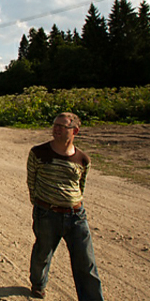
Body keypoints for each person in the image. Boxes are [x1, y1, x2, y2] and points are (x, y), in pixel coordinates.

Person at [26, 112, 104, 300]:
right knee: (42, 252)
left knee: (86, 262)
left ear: (75, 130)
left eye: (62, 126)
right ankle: (38, 283)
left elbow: (80, 186)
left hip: (76, 216)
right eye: (55, 125)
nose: (56, 129)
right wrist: (40, 205)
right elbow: (32, 181)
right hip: (47, 214)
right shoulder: (38, 152)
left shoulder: (83, 159)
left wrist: (72, 202)